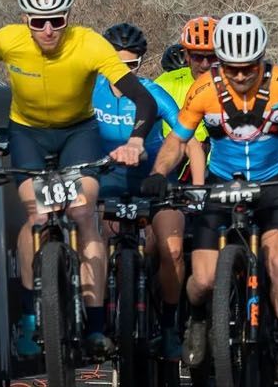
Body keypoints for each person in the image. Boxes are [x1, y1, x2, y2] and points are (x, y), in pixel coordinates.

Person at [0, 0, 160, 360]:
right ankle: (30, 318)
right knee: (37, 217)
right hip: (27, 133)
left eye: (57, 20)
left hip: (78, 133)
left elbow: (142, 100)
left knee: (83, 213)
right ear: (24, 19)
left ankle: (96, 325)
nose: (47, 30)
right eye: (37, 21)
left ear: (69, 17)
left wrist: (134, 139)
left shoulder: (90, 45)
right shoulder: (7, 40)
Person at [143, 11, 278, 382]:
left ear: (262, 58)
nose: (242, 76)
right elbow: (177, 141)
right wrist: (157, 173)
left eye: (249, 67)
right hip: (221, 184)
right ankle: (197, 320)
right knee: (201, 279)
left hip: (271, 185)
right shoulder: (204, 90)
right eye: (232, 69)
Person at [91, 22, 200, 359]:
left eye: (132, 66)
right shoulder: (88, 90)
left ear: (141, 63)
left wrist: (196, 189)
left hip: (153, 183)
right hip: (107, 185)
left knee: (172, 249)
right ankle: (94, 318)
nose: (123, 73)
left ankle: (169, 327)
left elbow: (190, 140)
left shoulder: (152, 92)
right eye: (117, 64)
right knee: (93, 242)